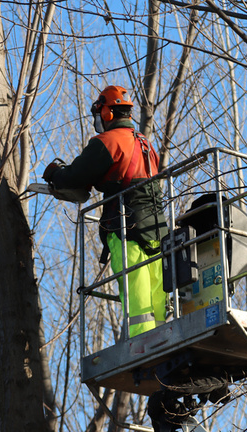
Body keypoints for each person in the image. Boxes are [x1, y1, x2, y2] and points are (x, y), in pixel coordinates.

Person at [43, 85, 168, 338]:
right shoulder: (146, 143)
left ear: (107, 113)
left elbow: (75, 176)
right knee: (158, 287)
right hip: (158, 226)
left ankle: (141, 343)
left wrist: (55, 174)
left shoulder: (108, 141)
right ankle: (164, 336)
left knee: (136, 290)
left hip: (127, 226)